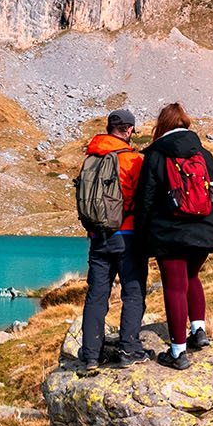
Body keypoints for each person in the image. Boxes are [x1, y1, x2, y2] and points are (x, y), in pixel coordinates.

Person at [133, 102, 213, 370]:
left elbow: (146, 199)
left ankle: (177, 352)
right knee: (192, 277)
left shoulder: (156, 155)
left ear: (162, 125)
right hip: (205, 229)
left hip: (171, 232)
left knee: (174, 286)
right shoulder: (203, 153)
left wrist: (143, 235)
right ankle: (199, 331)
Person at [71, 109, 147, 371]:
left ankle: (91, 355)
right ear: (128, 130)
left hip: (97, 236)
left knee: (96, 296)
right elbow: (143, 199)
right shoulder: (133, 160)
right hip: (127, 235)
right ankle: (129, 349)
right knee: (133, 293)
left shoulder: (90, 157)